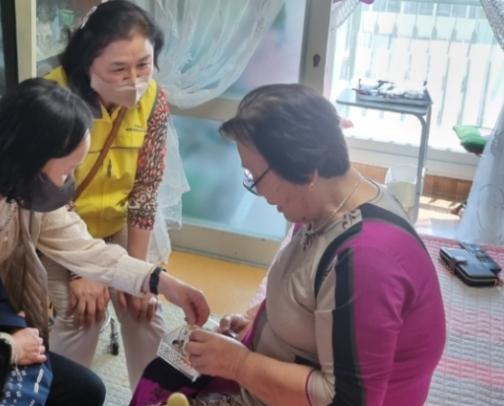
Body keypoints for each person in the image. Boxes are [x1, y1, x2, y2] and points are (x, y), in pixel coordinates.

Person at [131, 84, 446, 406]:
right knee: (166, 368)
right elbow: (309, 291)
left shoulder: (366, 261)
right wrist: (258, 321)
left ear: (306, 170)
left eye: (256, 176)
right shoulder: (325, 206)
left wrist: (238, 364)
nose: (258, 192)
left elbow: (347, 400)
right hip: (278, 376)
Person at [0, 78, 209, 405]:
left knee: (87, 389)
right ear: (29, 159)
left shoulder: (15, 186)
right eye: (66, 173)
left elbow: (87, 251)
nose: (69, 184)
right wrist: (10, 349)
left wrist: (164, 283)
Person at [43, 0, 170, 387]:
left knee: (145, 311)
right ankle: (67, 394)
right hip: (59, 228)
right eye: (118, 68)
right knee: (81, 313)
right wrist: (83, 270)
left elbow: (145, 189)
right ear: (87, 62)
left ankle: (153, 396)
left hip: (115, 224)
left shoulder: (155, 101)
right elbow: (49, 194)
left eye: (143, 65)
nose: (134, 79)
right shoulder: (53, 97)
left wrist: (138, 274)